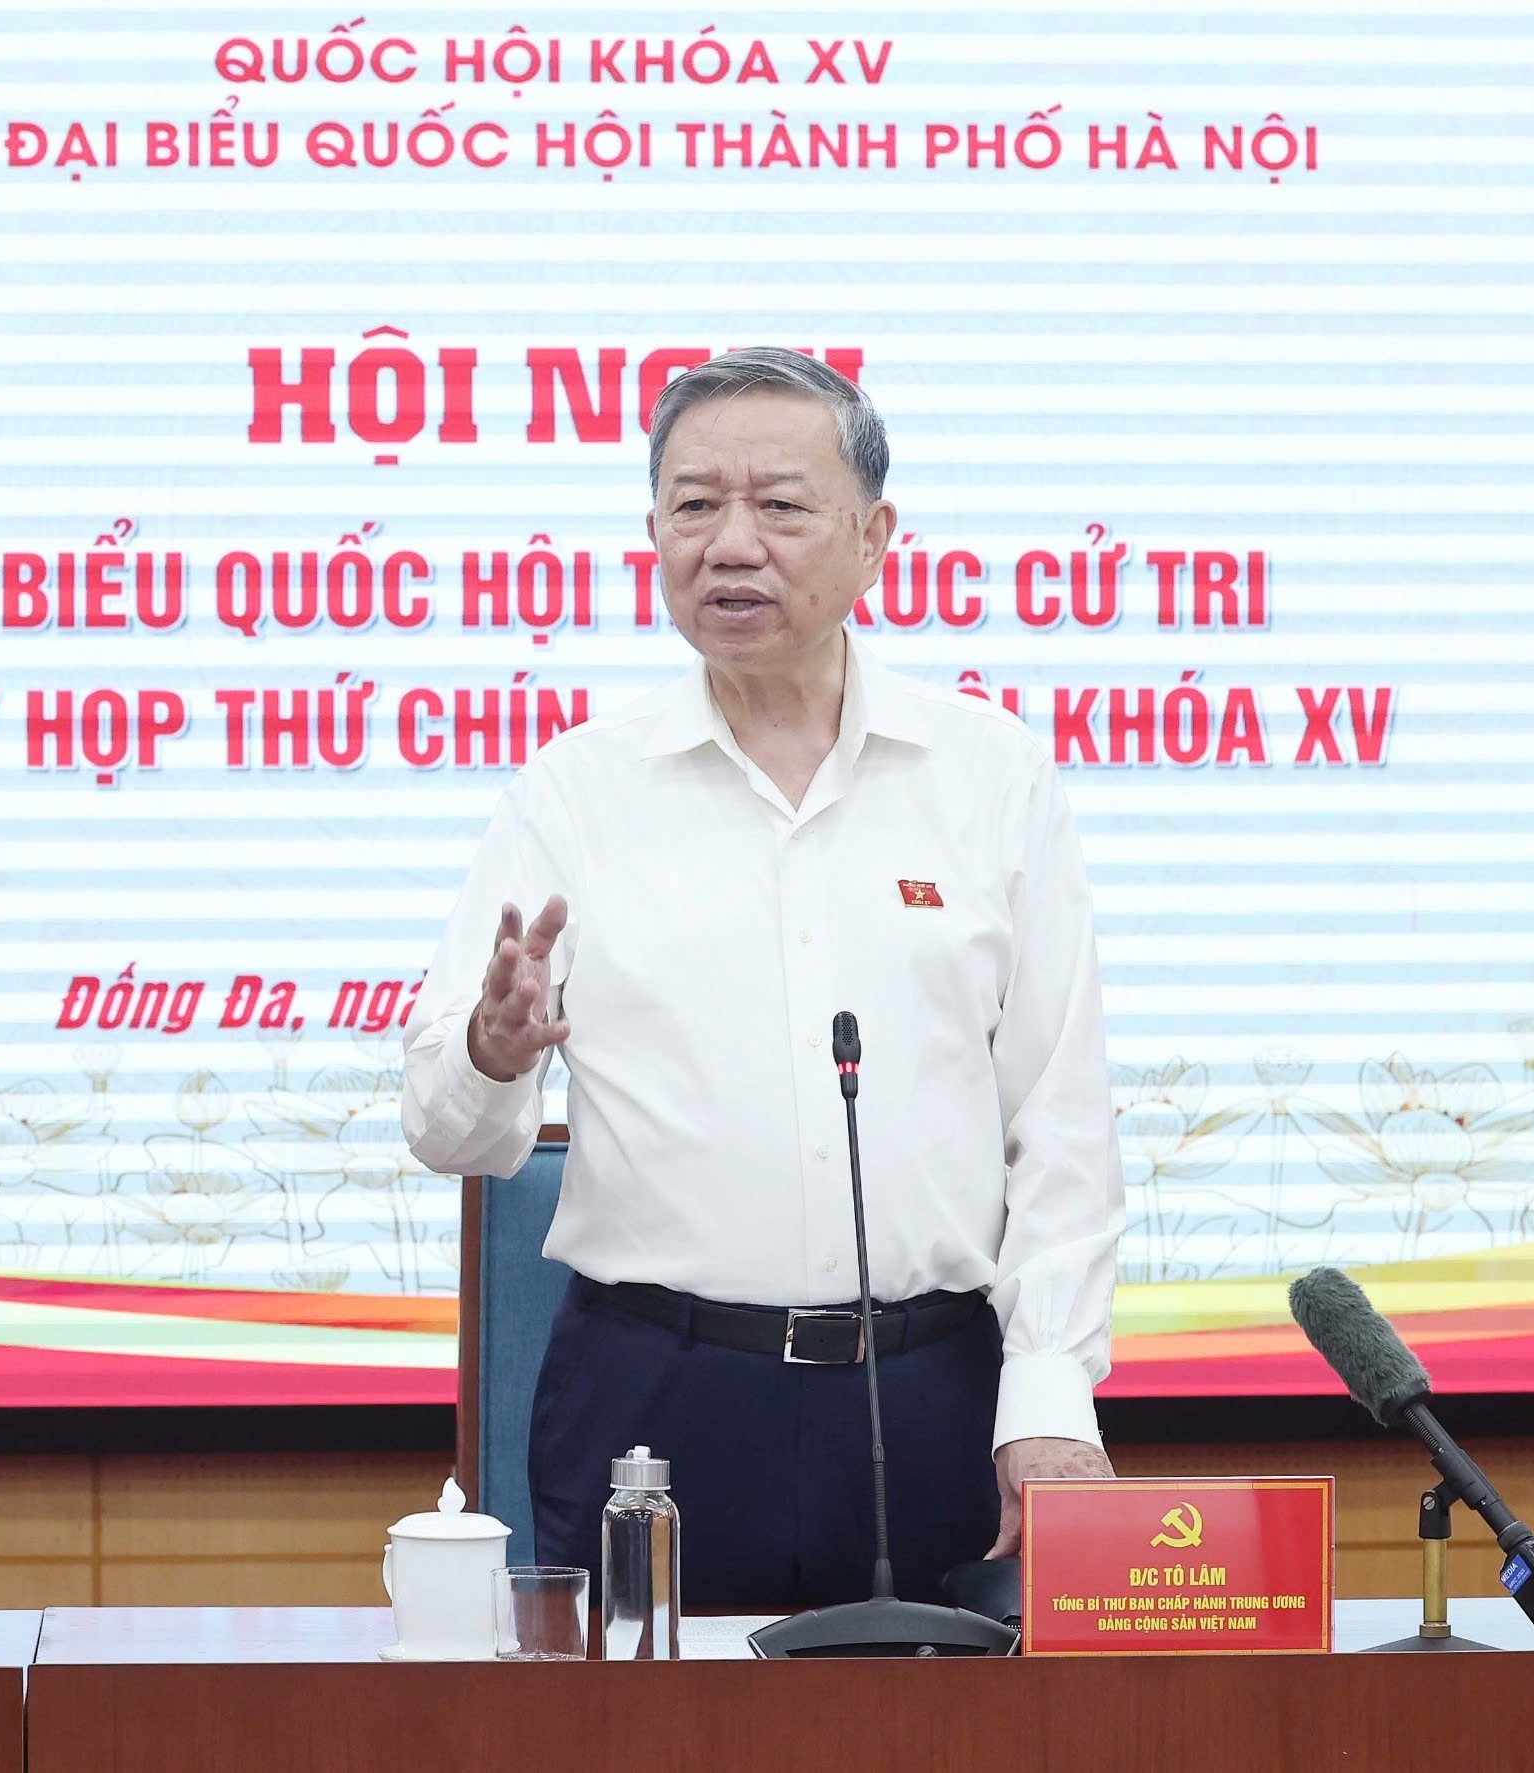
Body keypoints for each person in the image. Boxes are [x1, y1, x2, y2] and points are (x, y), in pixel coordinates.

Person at [402, 348, 1125, 1610]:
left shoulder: (989, 776)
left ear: (874, 539)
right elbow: (447, 1132)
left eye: (780, 506)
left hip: (930, 1395)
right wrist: (490, 1050)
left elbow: (1057, 1125)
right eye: (694, 505)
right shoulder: (576, 790)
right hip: (652, 1404)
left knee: (944, 1719)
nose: (731, 544)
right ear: (653, 534)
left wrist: (1050, 1399)